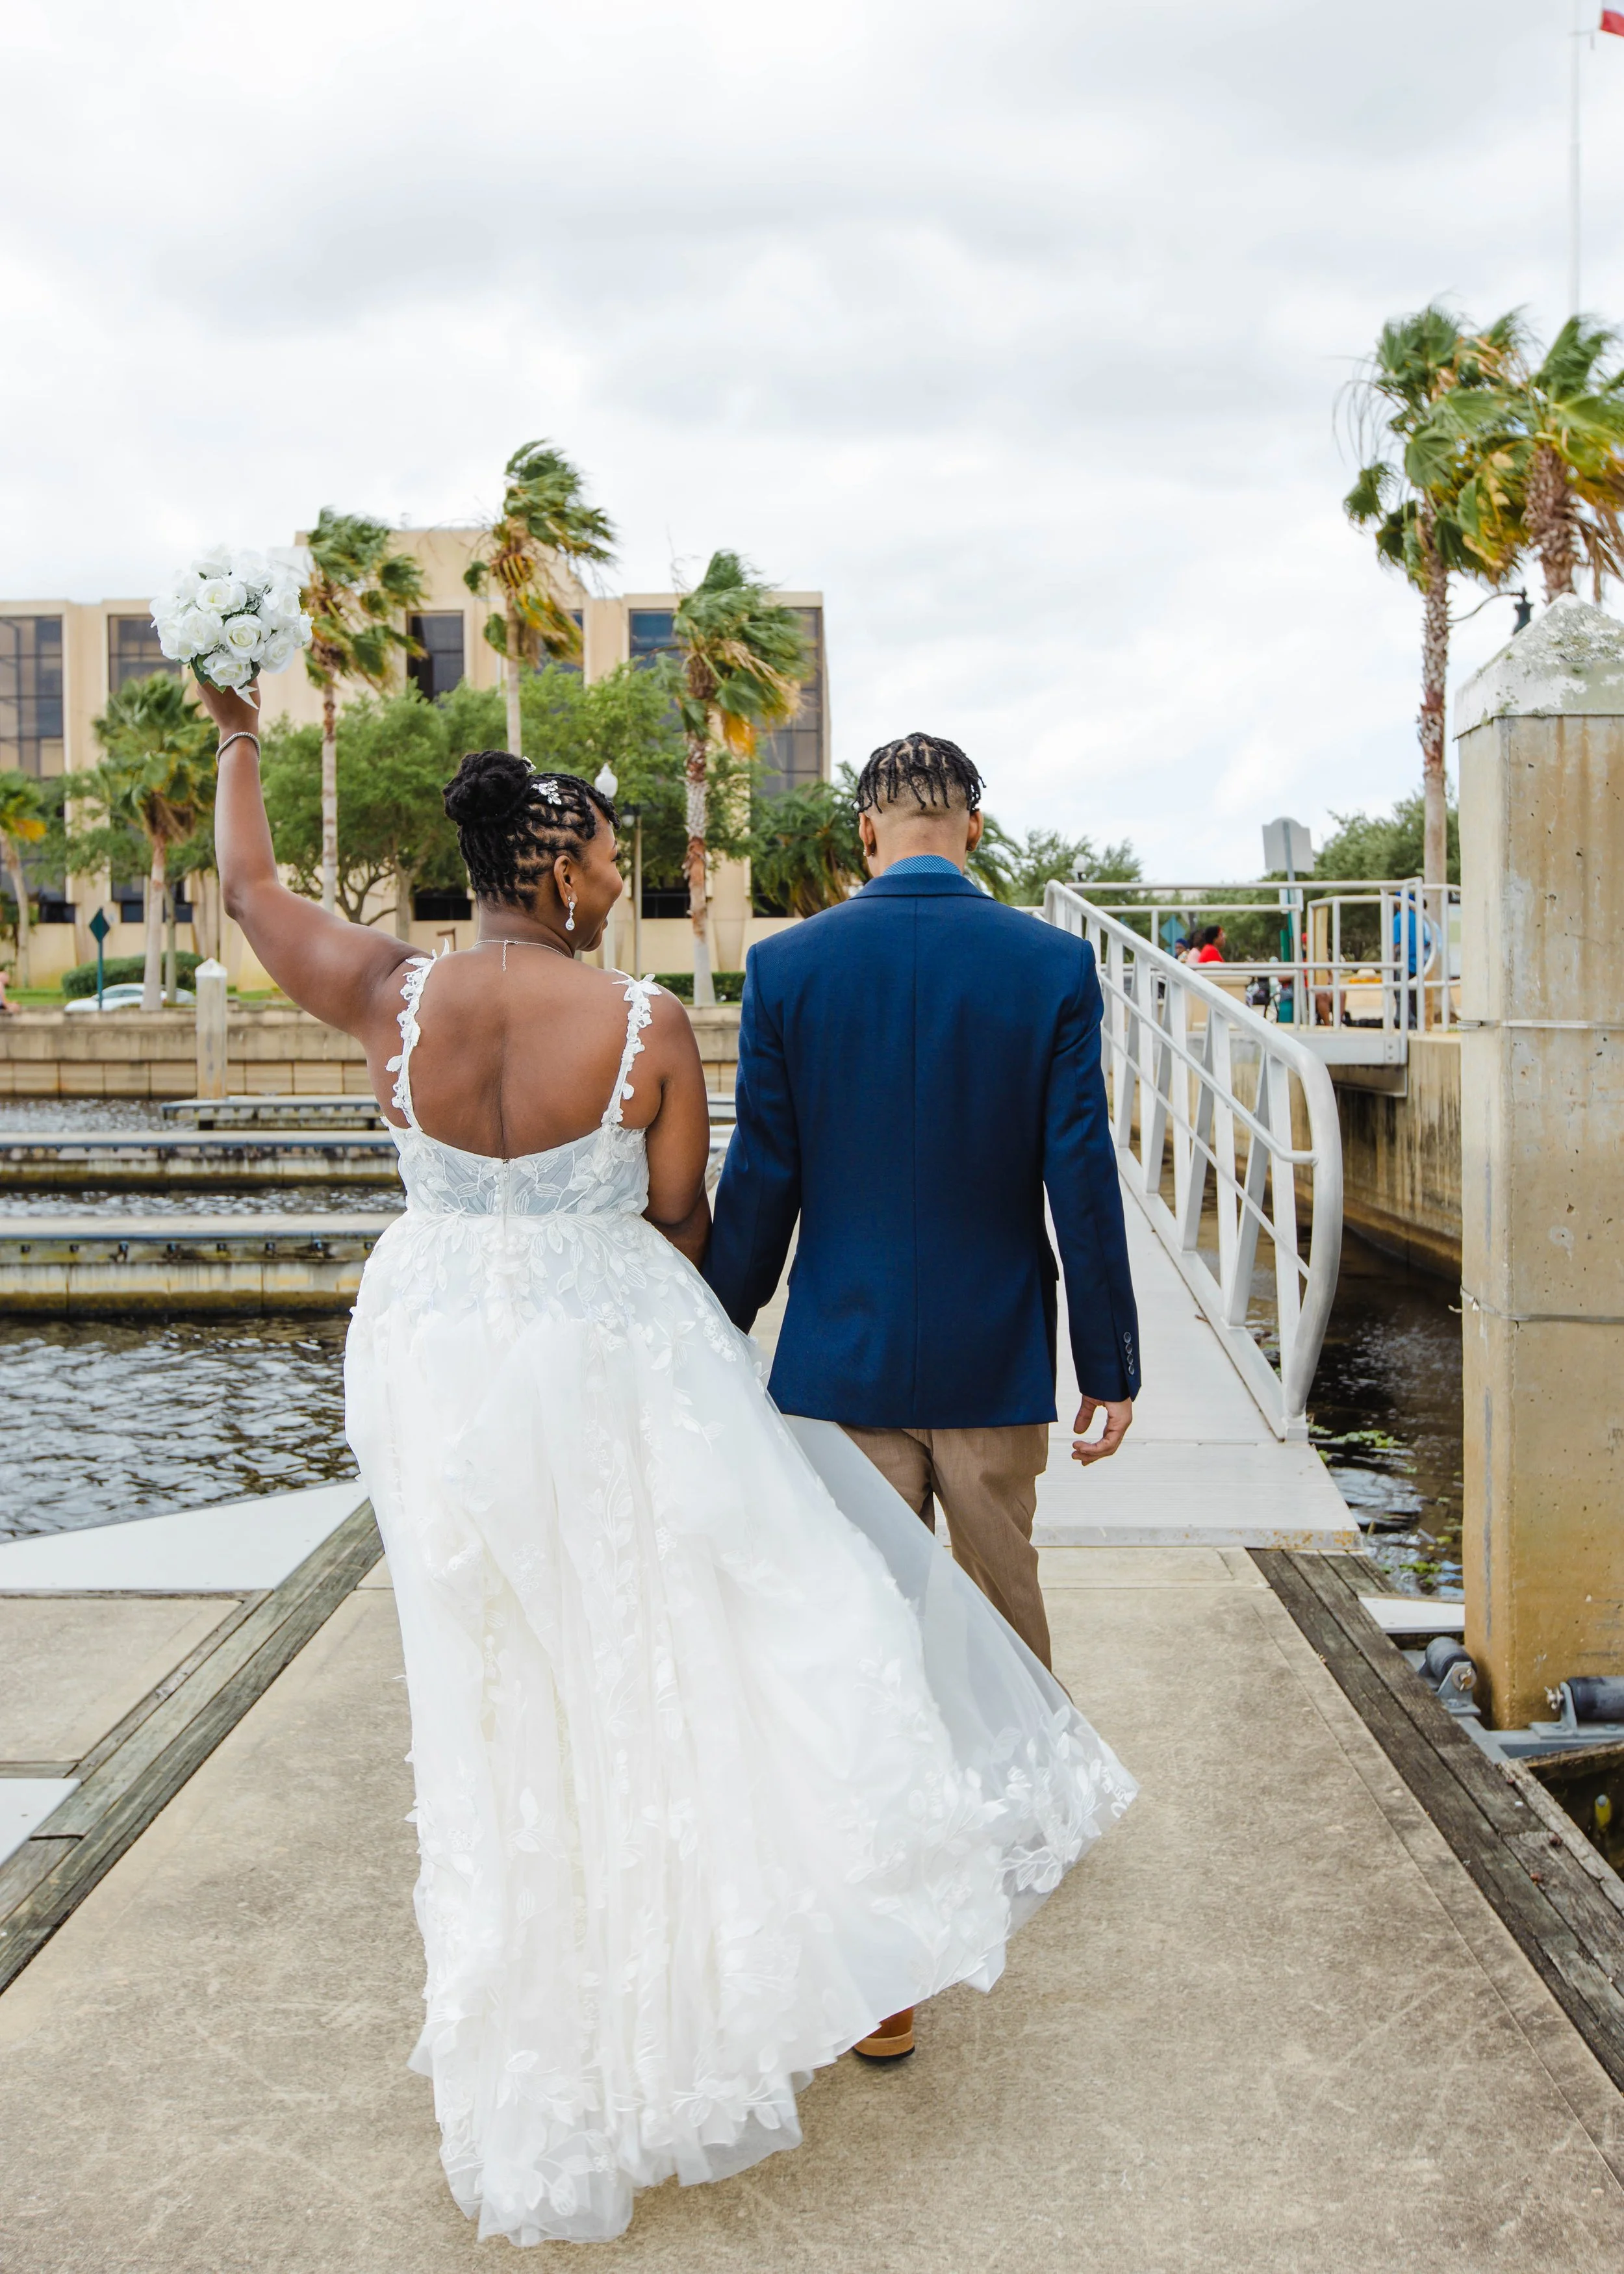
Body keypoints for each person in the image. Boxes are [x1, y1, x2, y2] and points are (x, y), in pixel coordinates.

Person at [195, 678, 1136, 2247]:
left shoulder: (391, 997)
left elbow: (246, 888)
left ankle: (559, 1998)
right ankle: (863, 1965)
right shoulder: (643, 1021)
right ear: (558, 871)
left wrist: (239, 731)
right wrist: (696, 1318)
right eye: (611, 857)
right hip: (626, 1367)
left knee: (513, 1683)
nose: (622, 876)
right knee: (728, 1643)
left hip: (443, 1380)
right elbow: (692, 1219)